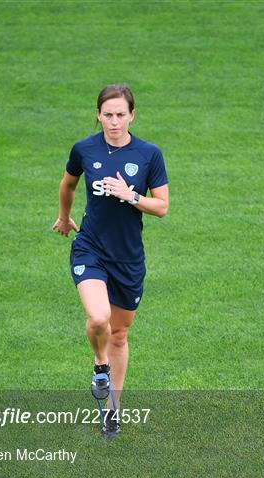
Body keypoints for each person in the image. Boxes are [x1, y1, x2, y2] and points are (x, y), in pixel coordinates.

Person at [52, 84, 169, 439]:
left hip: (128, 260)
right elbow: (68, 183)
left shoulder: (149, 154)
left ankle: (112, 413)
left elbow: (162, 207)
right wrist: (63, 216)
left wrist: (130, 194)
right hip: (90, 248)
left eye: (121, 114)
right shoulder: (84, 149)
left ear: (132, 115)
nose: (114, 121)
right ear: (98, 115)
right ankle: (98, 367)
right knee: (99, 317)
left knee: (118, 335)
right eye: (107, 114)